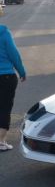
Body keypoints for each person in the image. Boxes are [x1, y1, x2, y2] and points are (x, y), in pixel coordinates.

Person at [0, 23, 26, 151]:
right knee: (4, 108)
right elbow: (14, 54)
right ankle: (0, 141)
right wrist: (22, 71)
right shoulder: (4, 33)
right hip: (5, 77)